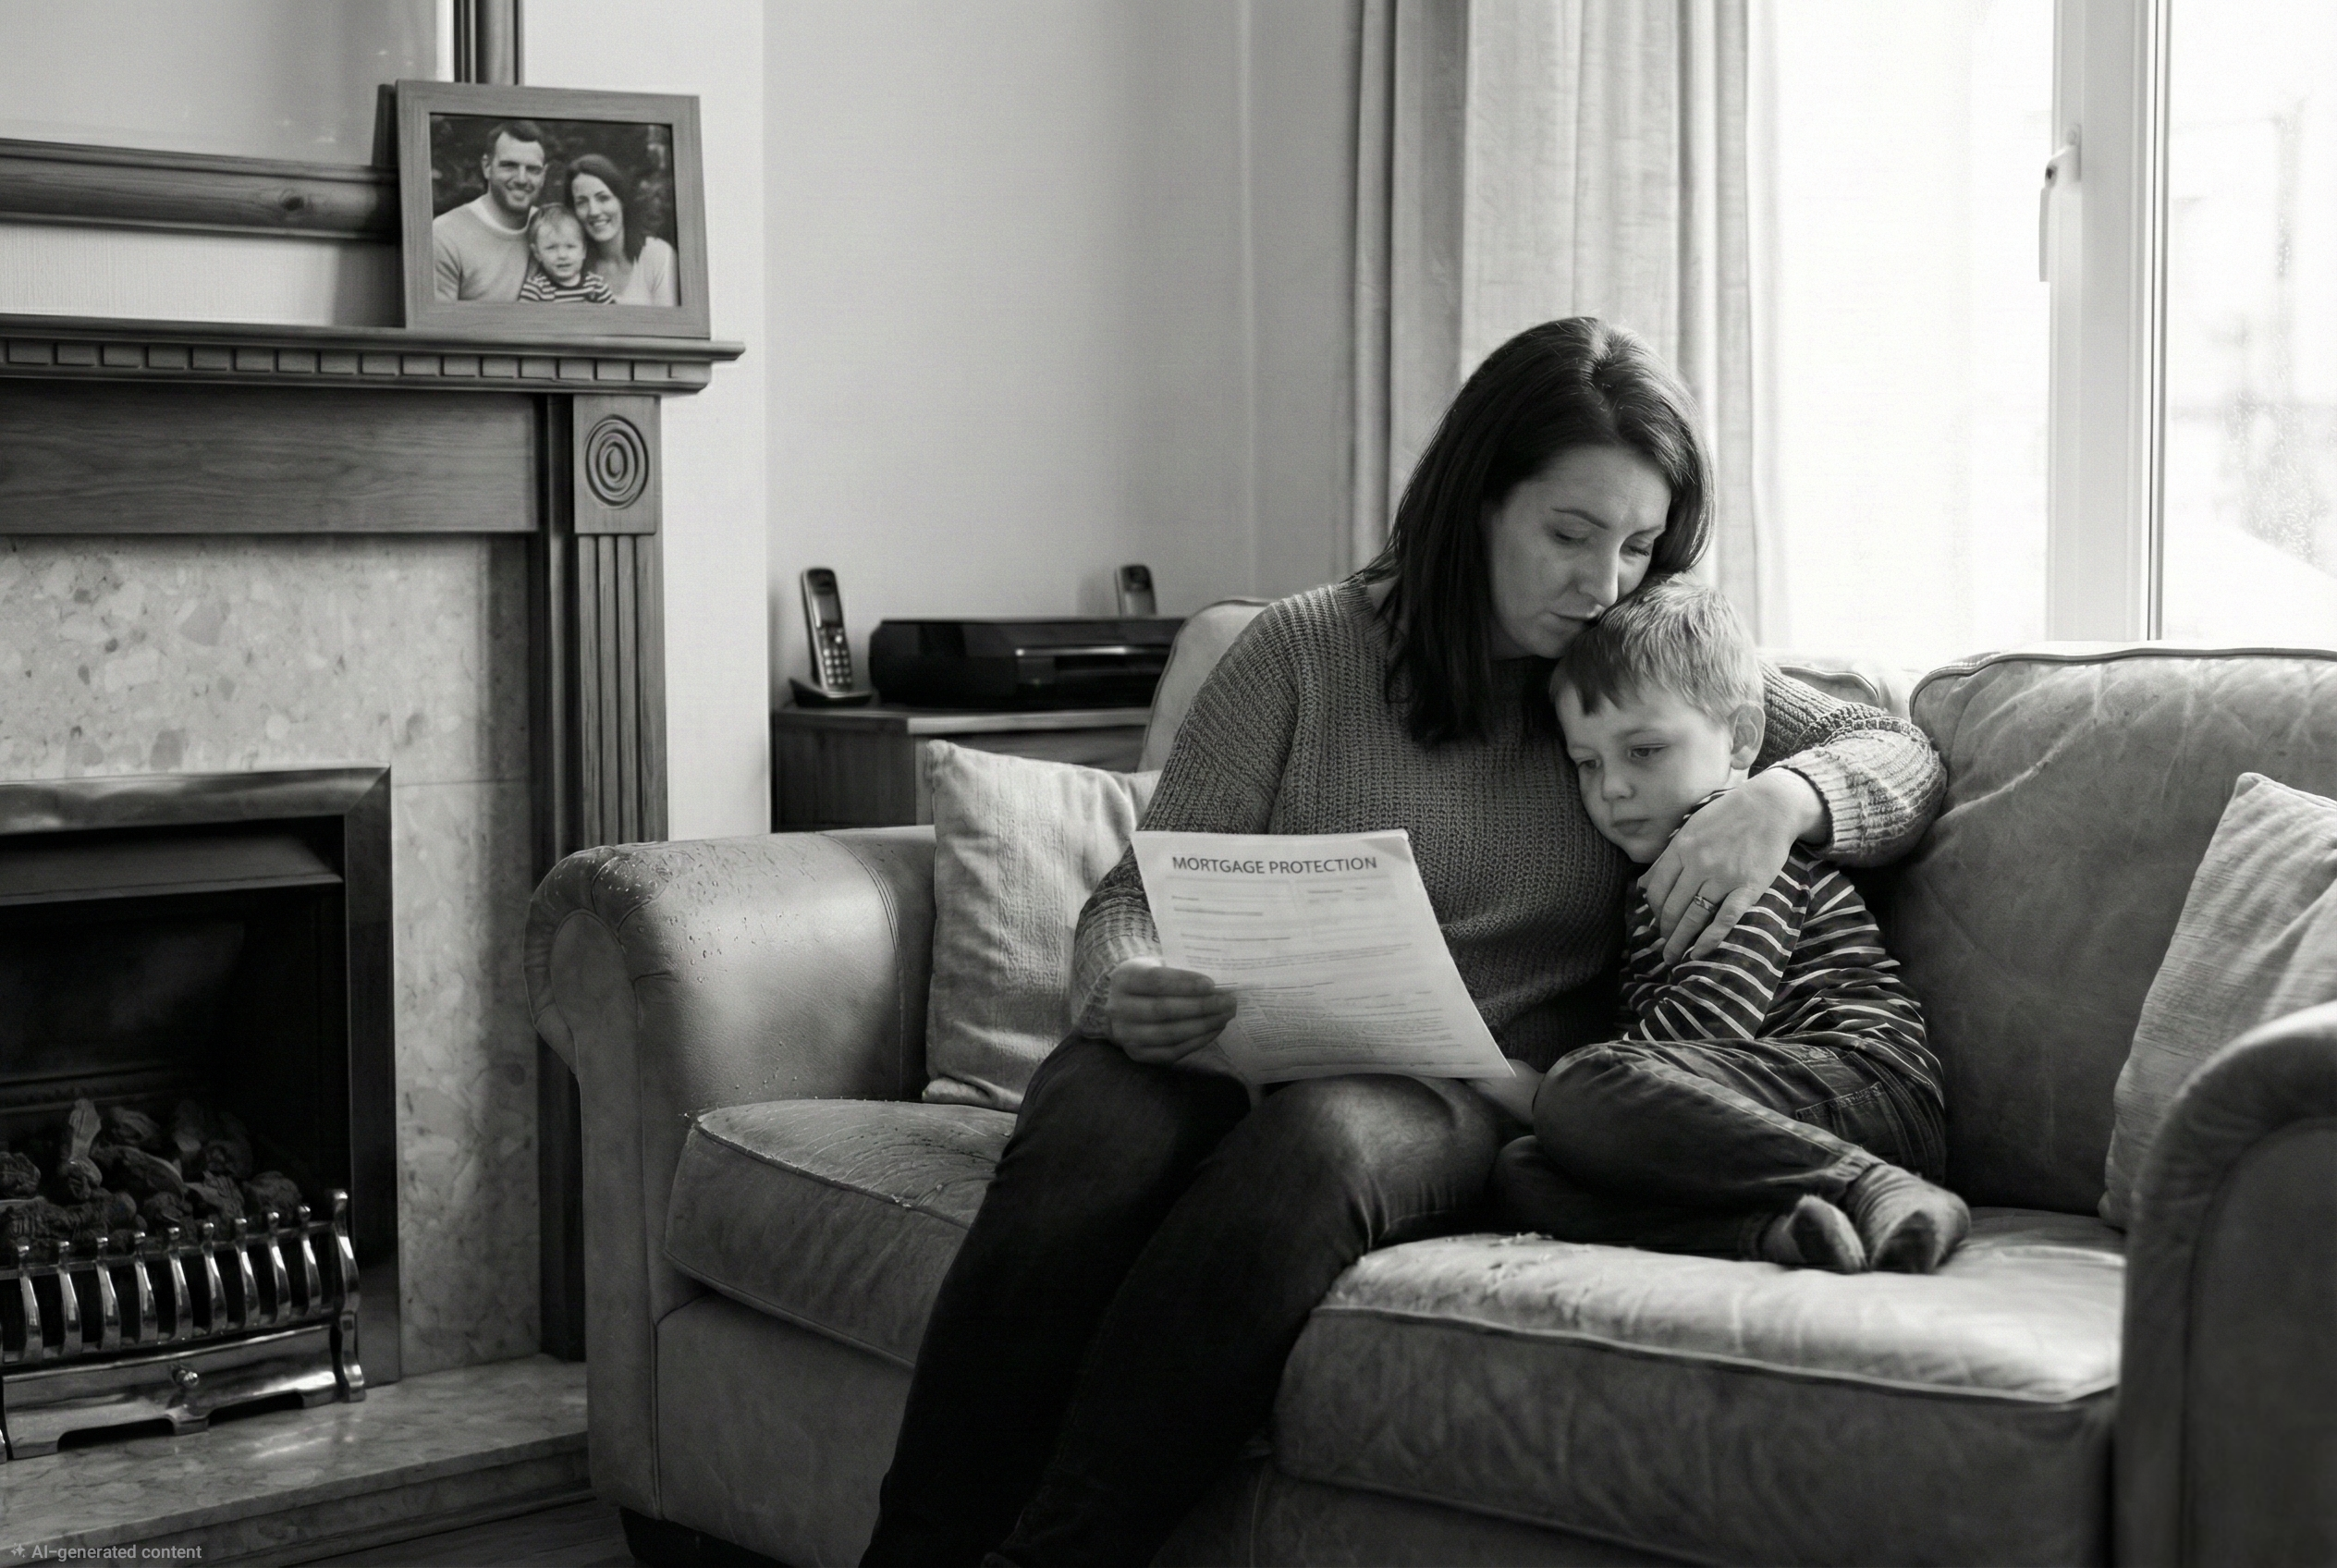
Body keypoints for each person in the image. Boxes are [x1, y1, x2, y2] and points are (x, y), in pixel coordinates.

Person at [860, 317, 1949, 1568]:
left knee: (1321, 1141)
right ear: (1477, 502)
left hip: (1459, 1092)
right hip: (1243, 1042)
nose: (1605, 581)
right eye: (1570, 534)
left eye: (1640, 544)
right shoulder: (1302, 654)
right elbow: (1129, 896)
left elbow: (1901, 749)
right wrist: (1128, 984)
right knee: (1101, 1106)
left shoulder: (1621, 670)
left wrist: (1785, 801)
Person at [1484, 578, 1966, 1274]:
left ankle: (1875, 1187)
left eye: (1644, 750)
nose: (1611, 787)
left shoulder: (1739, 847)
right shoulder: (1651, 873)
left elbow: (1711, 1019)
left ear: (1741, 736)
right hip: (1757, 1121)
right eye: (1586, 763)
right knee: (1521, 1175)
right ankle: (1778, 1235)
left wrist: (1551, 1094)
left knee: (1577, 1091)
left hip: (1863, 1088)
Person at [432, 120, 546, 302]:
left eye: (532, 169)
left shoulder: (551, 229)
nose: (522, 179)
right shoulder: (445, 234)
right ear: (487, 167)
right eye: (509, 165)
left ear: (544, 175)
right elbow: (437, 327)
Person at [565, 153, 679, 307]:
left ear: (622, 200)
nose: (593, 211)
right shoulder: (568, 266)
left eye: (603, 198)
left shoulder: (657, 255)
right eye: (582, 202)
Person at [516, 206, 615, 304]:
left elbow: (616, 316)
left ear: (584, 250)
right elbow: (523, 319)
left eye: (570, 246)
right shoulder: (536, 289)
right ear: (537, 253)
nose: (562, 255)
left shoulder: (596, 286)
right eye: (551, 248)